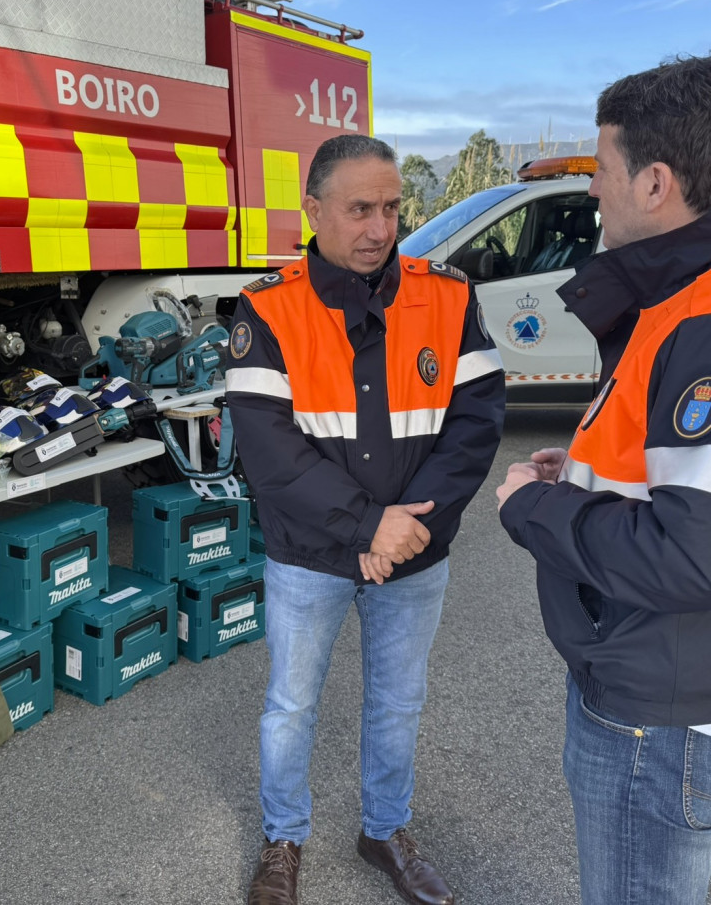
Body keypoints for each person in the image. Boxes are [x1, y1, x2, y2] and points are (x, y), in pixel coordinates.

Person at [226, 134, 505, 905]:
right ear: (312, 210)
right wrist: (367, 525)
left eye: (389, 207)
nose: (379, 228)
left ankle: (385, 829)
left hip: (413, 552)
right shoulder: (267, 304)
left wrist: (408, 527)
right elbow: (268, 449)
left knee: (396, 700)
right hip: (309, 554)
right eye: (358, 209)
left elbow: (478, 419)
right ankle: (282, 839)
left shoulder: (446, 294)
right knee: (290, 703)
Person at [497, 54, 711, 905]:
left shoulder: (705, 318)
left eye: (601, 169)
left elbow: (695, 552)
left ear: (655, 181)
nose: (592, 191)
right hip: (655, 683)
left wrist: (533, 507)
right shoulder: (683, 300)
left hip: (654, 712)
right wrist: (583, 479)